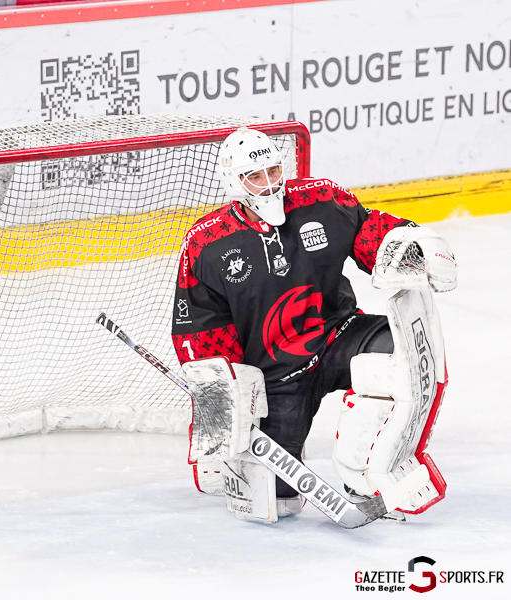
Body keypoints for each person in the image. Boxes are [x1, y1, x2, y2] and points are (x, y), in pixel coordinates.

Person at [171, 127, 457, 523]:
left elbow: (371, 232)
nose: (268, 184)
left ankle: (366, 475)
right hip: (274, 372)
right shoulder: (208, 244)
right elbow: (200, 334)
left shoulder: (322, 200)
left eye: (273, 171)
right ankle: (230, 465)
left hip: (338, 334)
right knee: (276, 500)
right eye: (255, 177)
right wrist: (223, 404)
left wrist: (415, 246)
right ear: (233, 181)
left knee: (404, 354)